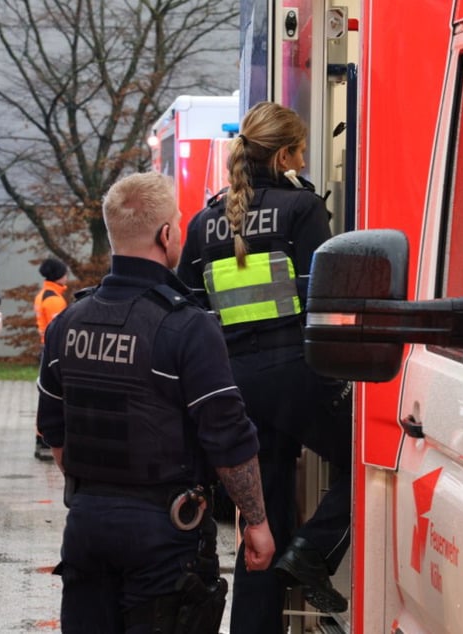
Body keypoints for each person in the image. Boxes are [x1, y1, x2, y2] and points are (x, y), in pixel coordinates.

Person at [36, 171, 275, 633]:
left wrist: (102, 491)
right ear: (166, 234)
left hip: (87, 526)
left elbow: (54, 431)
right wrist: (257, 522)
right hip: (164, 535)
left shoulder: (66, 325)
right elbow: (227, 437)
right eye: (178, 225)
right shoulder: (187, 326)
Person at [176, 101, 353, 632]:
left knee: (260, 527)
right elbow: (328, 297)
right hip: (297, 379)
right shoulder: (301, 209)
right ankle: (314, 551)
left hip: (235, 390)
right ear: (284, 156)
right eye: (300, 150)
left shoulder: (206, 220)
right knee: (369, 460)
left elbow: (188, 305)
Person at [33, 257, 69, 461]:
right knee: (51, 396)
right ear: (58, 275)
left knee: (44, 394)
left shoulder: (42, 295)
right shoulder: (55, 299)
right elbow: (59, 329)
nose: (67, 276)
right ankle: (44, 441)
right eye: (64, 273)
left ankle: (41, 439)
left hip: (44, 347)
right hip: (52, 350)